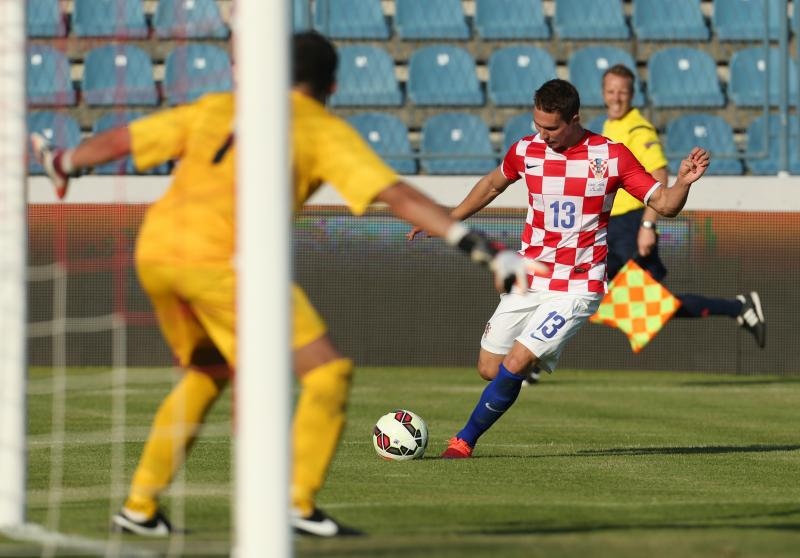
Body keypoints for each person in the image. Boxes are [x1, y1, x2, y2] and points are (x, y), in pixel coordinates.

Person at [31, 31, 533, 537]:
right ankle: (295, 504)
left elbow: (124, 140)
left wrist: (64, 162)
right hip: (226, 262)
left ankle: (139, 507)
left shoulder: (219, 107)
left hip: (157, 251)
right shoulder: (319, 128)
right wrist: (481, 248)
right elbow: (394, 193)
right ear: (332, 84)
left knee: (208, 373)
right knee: (328, 372)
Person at [410, 79, 710, 459]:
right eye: (538, 124)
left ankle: (462, 442)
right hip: (530, 279)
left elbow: (665, 205)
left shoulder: (611, 156)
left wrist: (683, 182)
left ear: (574, 119)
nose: (543, 134)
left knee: (517, 362)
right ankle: (528, 361)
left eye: (551, 127)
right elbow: (490, 185)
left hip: (577, 286)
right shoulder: (526, 150)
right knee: (491, 368)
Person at [600, 64, 765, 349]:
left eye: (622, 92)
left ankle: (737, 308)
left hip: (631, 225)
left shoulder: (638, 129)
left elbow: (659, 177)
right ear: (603, 93)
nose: (616, 98)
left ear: (632, 95)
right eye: (611, 91)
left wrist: (648, 225)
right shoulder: (609, 126)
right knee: (590, 293)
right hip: (611, 228)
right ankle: (533, 360)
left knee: (654, 307)